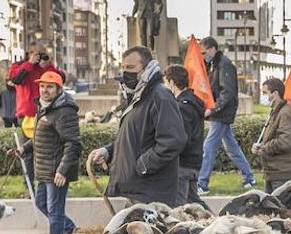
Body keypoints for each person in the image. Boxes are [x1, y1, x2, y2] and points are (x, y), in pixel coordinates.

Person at [88, 46, 185, 205]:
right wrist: (107, 152)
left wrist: (143, 165)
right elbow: (134, 139)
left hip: (151, 194)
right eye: (124, 68)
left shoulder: (160, 96)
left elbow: (173, 140)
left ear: (146, 68)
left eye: (131, 68)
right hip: (138, 191)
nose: (126, 72)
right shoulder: (136, 97)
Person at [13, 70, 80, 234]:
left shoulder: (64, 111)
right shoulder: (45, 108)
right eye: (42, 86)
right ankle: (71, 230)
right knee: (41, 202)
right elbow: (40, 137)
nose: (44, 90)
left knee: (54, 210)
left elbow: (74, 143)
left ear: (58, 89)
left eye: (49, 87)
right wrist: (24, 148)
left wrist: (62, 171)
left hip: (56, 171)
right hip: (43, 169)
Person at [197, 36, 255, 194]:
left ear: (212, 49)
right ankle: (249, 178)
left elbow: (227, 93)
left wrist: (213, 109)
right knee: (231, 148)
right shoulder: (217, 64)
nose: (202, 56)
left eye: (203, 53)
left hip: (221, 113)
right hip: (221, 112)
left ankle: (202, 184)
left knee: (208, 147)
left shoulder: (224, 65)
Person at [164, 64, 207, 205]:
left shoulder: (181, 106)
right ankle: (215, 221)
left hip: (182, 164)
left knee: (179, 208)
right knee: (194, 202)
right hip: (194, 161)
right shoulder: (194, 102)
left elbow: (181, 137)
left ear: (171, 83)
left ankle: (218, 222)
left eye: (165, 82)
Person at [253, 77, 291, 192]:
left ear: (275, 93)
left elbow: (285, 142)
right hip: (274, 171)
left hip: (282, 172)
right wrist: (260, 147)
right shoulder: (276, 111)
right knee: (271, 208)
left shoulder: (284, 113)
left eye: (265, 93)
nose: (263, 96)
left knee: (280, 208)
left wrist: (264, 148)